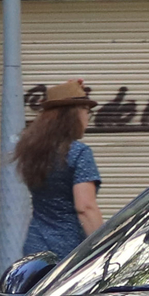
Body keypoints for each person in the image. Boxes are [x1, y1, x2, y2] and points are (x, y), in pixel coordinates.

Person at [15, 79, 101, 260]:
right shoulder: (79, 153)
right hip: (68, 252)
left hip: (35, 247)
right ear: (73, 115)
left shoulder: (33, 152)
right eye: (86, 111)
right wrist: (103, 247)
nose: (88, 118)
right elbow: (85, 207)